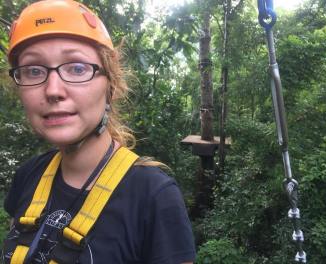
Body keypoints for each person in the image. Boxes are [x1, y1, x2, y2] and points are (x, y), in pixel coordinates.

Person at [1, 1, 196, 263]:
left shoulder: (153, 196)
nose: (53, 90)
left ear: (110, 87)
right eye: (34, 71)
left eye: (77, 68)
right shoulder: (29, 176)